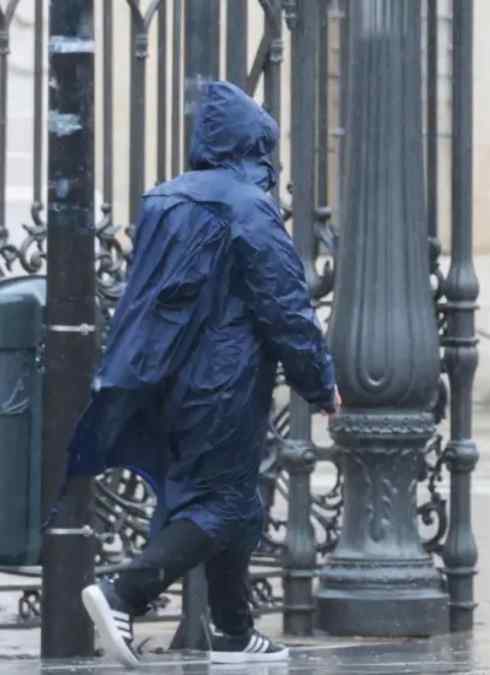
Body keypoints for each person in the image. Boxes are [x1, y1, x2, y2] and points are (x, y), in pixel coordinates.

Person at [69, 81, 337, 667]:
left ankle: (236, 633)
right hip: (225, 382)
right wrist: (320, 383)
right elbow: (286, 307)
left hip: (165, 375)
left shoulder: (166, 201)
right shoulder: (248, 207)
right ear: (257, 147)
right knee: (225, 502)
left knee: (223, 500)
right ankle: (125, 592)